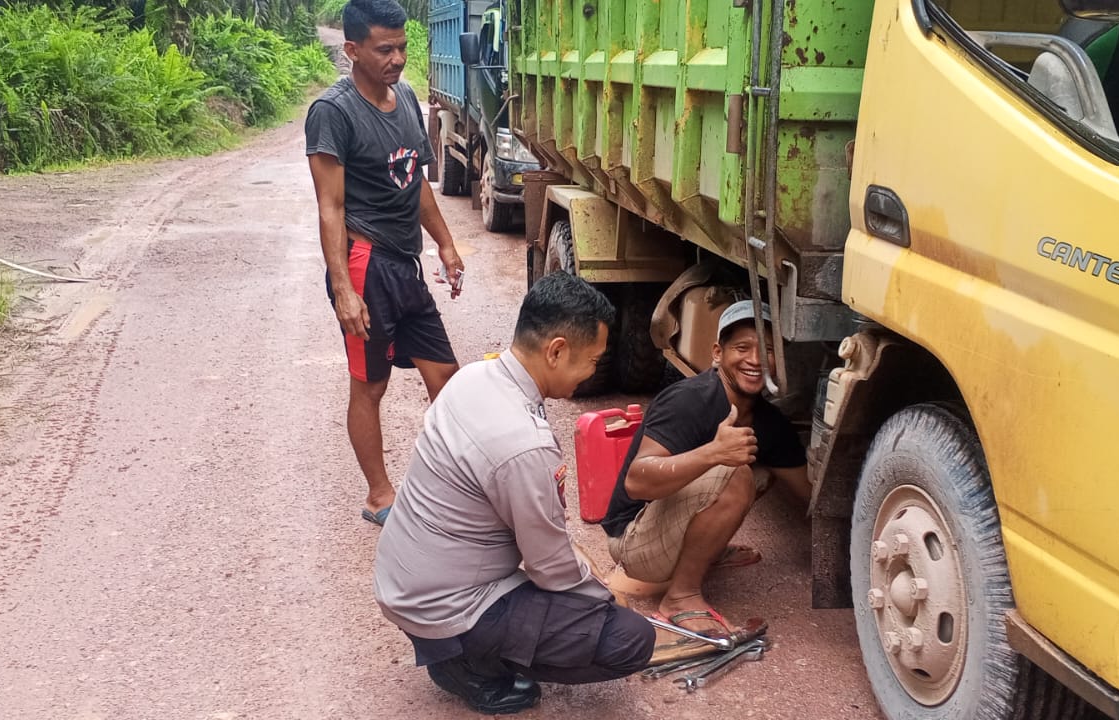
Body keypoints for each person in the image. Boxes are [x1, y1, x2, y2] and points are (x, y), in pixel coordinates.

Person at [374, 273, 654, 715]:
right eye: (593, 361)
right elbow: (552, 570)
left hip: (404, 581)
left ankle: (458, 647)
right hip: (443, 607)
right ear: (557, 351)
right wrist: (604, 595)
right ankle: (468, 665)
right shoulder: (524, 444)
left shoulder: (474, 377)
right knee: (630, 639)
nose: (592, 373)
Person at [306, 0, 465, 526]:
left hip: (405, 263)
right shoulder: (333, 112)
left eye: (402, 47)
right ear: (352, 49)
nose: (397, 58)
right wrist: (344, 290)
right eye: (384, 49)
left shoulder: (409, 99)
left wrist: (444, 242)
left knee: (446, 375)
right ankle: (380, 495)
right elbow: (329, 207)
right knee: (370, 385)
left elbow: (414, 180)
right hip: (364, 262)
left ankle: (451, 484)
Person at [600, 301, 809, 638]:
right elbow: (636, 481)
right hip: (631, 540)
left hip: (665, 522)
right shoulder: (689, 400)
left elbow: (808, 493)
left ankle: (704, 550)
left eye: (768, 350)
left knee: (762, 471)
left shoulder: (770, 421)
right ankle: (681, 597)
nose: (755, 360)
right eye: (742, 347)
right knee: (735, 472)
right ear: (717, 352)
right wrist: (713, 452)